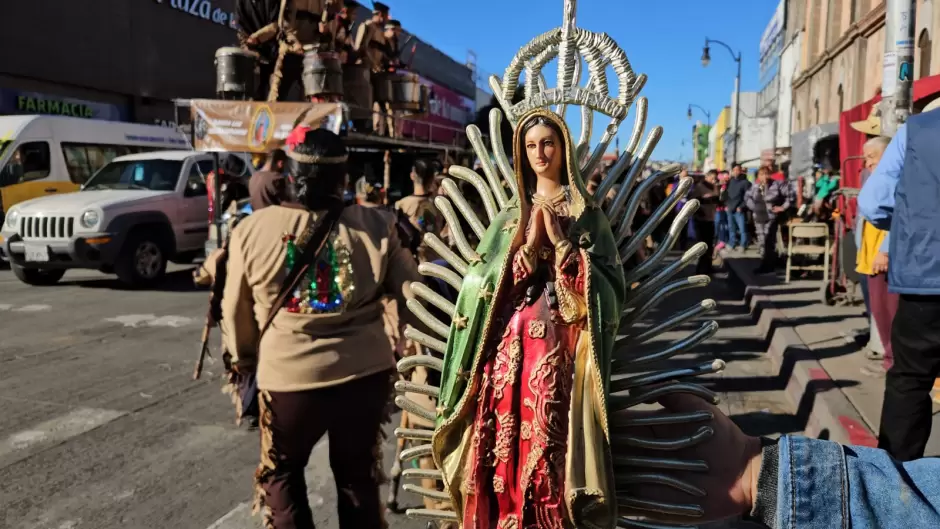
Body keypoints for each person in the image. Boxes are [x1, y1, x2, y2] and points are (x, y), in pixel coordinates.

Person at [221, 127, 424, 528]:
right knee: (357, 479)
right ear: (344, 177)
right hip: (364, 376)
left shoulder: (250, 230)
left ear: (289, 174)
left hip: (287, 383)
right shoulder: (378, 225)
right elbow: (413, 295)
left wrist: (245, 361)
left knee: (282, 476)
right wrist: (407, 351)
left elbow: (234, 313)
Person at [859, 106, 940, 462]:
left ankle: (895, 482)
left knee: (910, 379)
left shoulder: (920, 129)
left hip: (929, 273)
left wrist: (911, 224)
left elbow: (874, 201)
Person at [855, 136, 897, 378]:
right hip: (870, 256)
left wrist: (886, 250)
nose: (867, 162)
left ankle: (893, 363)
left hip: (884, 255)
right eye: (865, 158)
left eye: (872, 156)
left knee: (890, 312)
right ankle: (889, 360)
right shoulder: (874, 178)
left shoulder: (896, 178)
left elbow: (900, 214)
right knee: (878, 311)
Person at [353, 2, 392, 135]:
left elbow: (381, 53)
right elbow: (360, 48)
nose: (387, 19)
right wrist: (372, 63)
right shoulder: (367, 26)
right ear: (380, 15)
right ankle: (362, 126)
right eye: (386, 16)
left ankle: (378, 129)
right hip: (364, 70)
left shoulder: (380, 32)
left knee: (379, 99)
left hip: (376, 71)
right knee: (365, 100)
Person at [395, 159, 442, 262]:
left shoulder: (401, 205)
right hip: (436, 260)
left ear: (412, 176)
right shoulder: (439, 203)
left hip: (412, 261)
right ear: (431, 178)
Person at [689, 170, 718, 275]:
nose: (714, 180)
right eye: (712, 178)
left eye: (715, 178)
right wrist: (704, 202)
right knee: (702, 245)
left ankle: (708, 267)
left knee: (710, 245)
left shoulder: (715, 187)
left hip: (711, 218)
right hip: (701, 220)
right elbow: (692, 201)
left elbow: (717, 200)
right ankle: (700, 269)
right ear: (707, 177)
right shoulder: (699, 187)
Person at [725, 163, 750, 251]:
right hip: (729, 209)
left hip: (739, 209)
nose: (736, 172)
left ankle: (743, 245)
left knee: (742, 229)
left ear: (741, 171)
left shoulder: (745, 182)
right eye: (734, 170)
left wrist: (742, 207)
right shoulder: (729, 181)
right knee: (731, 228)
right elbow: (726, 195)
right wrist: (726, 205)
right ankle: (732, 243)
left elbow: (748, 197)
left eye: (738, 170)